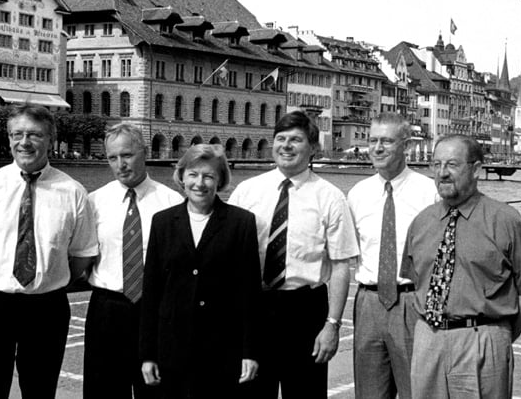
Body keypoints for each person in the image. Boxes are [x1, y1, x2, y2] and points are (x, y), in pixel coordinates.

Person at [0, 104, 98, 398]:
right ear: (9, 138)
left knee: (40, 390)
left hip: (46, 307)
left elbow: (82, 253)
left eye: (34, 135)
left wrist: (50, 280)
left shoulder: (73, 191)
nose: (24, 142)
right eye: (17, 134)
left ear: (50, 140)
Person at [229, 110, 359, 399]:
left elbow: (340, 267)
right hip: (255, 307)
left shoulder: (330, 197)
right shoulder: (246, 191)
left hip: (304, 311)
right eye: (281, 138)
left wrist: (332, 326)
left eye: (296, 140)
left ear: (312, 148)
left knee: (305, 393)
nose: (286, 146)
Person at [400, 134, 521, 399]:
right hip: (428, 341)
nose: (442, 173)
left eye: (452, 164)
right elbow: (414, 286)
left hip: (482, 339)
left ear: (476, 169)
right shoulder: (421, 222)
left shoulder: (506, 221)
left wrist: (498, 336)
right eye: (436, 164)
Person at [140, 144, 262, 397]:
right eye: (193, 175)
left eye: (208, 176)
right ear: (181, 177)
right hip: (172, 348)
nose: (200, 183)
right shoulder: (162, 222)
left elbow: (250, 293)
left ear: (220, 180)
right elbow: (152, 291)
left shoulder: (241, 223)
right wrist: (147, 354)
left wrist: (250, 352)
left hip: (222, 347)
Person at [84, 122, 183, 398]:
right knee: (103, 391)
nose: (120, 164)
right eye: (112, 158)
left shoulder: (172, 202)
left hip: (155, 310)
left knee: (156, 391)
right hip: (106, 311)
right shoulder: (94, 202)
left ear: (144, 152)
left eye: (127, 155)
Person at [347, 112, 436, 399]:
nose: (377, 148)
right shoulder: (357, 194)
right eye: (373, 140)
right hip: (369, 302)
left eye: (386, 141)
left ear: (406, 146)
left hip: (413, 301)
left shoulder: (430, 193)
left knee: (417, 391)